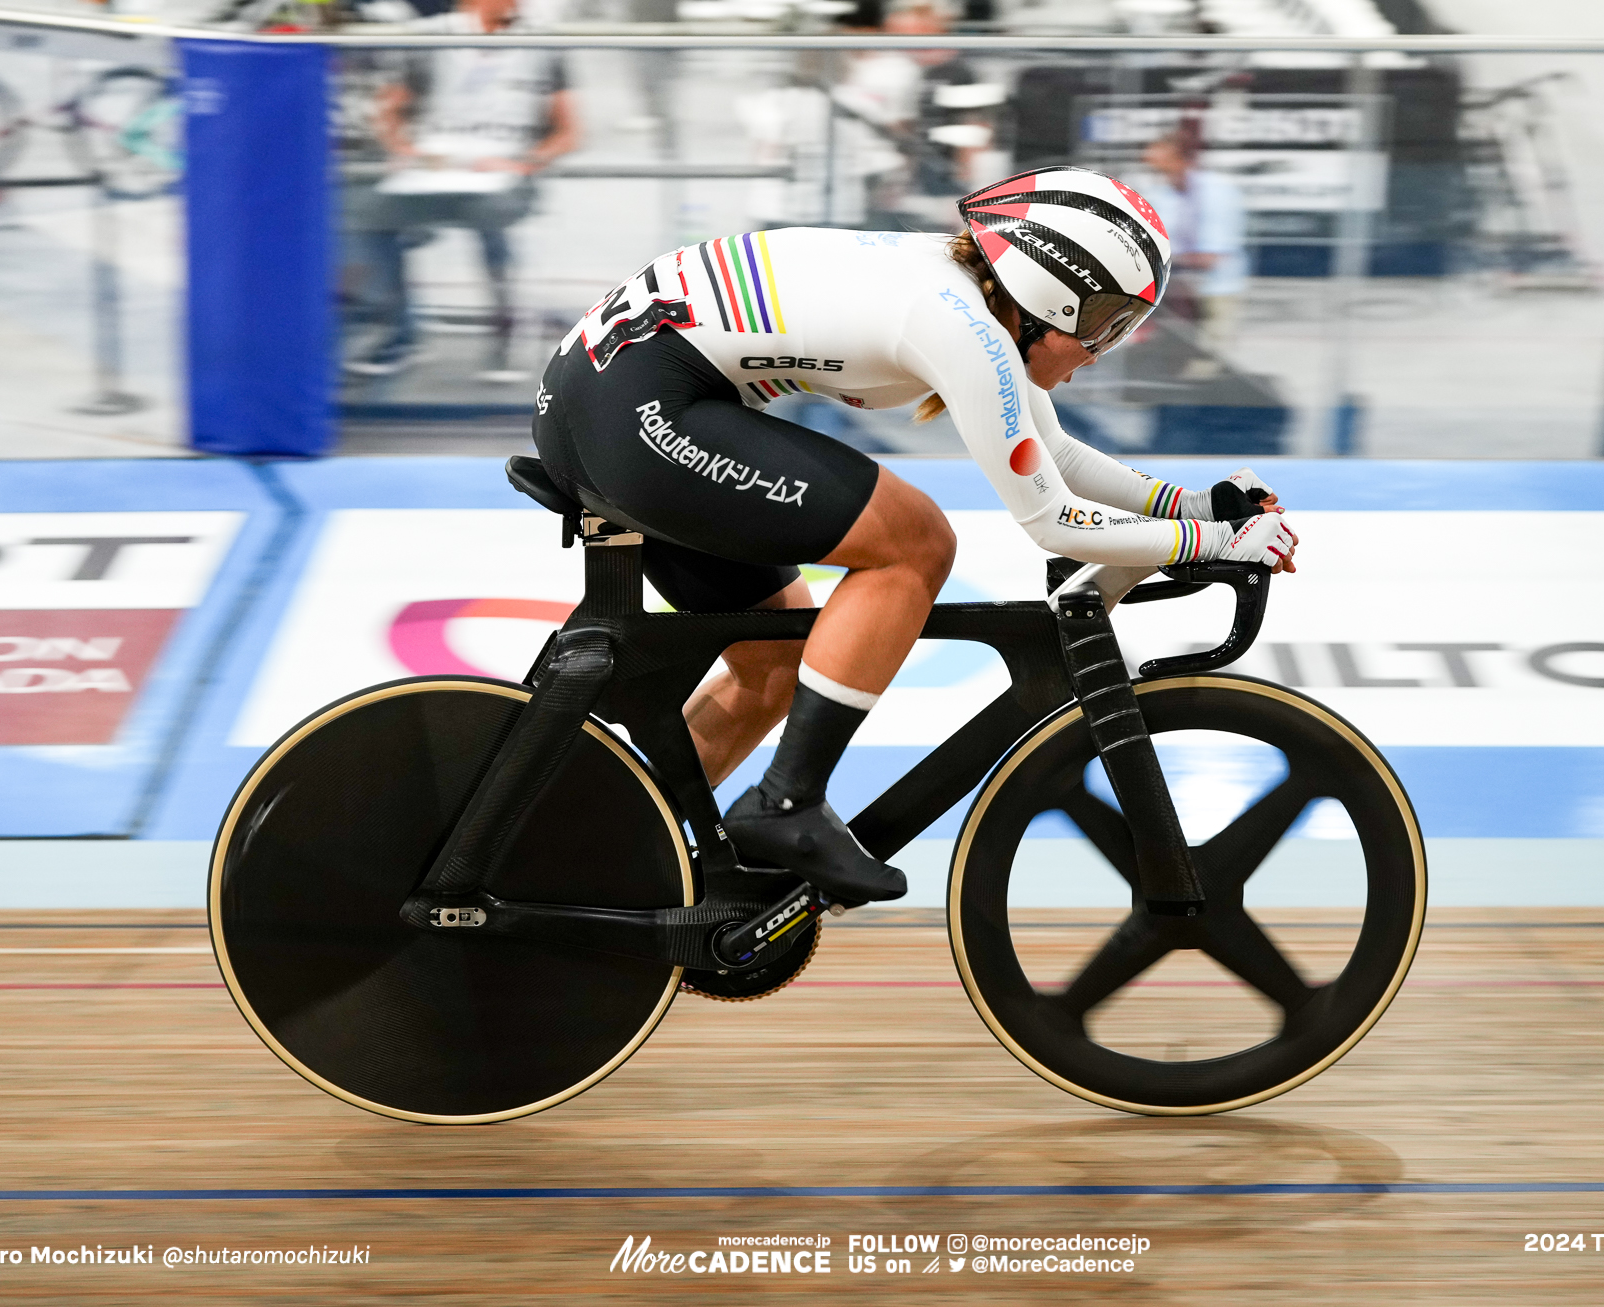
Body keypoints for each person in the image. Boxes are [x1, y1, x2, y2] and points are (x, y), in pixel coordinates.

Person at [532, 167, 1297, 902]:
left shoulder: (963, 298)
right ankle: (785, 802)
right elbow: (1051, 519)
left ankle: (594, 855)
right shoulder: (960, 325)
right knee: (916, 542)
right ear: (1048, 293)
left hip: (618, 398)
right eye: (1105, 322)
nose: (1103, 348)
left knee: (773, 662)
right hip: (636, 409)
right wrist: (1214, 546)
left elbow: (1053, 456)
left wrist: (1192, 507)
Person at [346, 0, 580, 381]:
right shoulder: (431, 39)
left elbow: (569, 132)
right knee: (365, 212)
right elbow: (388, 110)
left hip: (504, 172)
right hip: (435, 168)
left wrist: (523, 163)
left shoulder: (542, 46)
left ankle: (507, 330)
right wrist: (404, 149)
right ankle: (397, 333)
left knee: (491, 211)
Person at [1138, 124, 1249, 374]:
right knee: (1173, 362)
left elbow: (1212, 257)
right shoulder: (1162, 195)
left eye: (1161, 164)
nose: (1156, 172)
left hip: (1216, 290)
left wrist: (1166, 260)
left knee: (1208, 364)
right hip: (1176, 294)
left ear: (1181, 160)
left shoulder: (1218, 192)